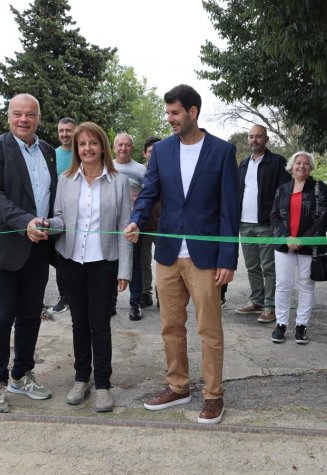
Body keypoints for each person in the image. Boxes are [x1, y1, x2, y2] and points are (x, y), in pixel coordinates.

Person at [125, 84, 238, 425]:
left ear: (193, 112)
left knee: (209, 330)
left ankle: (213, 395)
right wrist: (136, 220)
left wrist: (227, 259)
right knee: (171, 326)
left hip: (205, 257)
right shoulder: (161, 151)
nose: (170, 119)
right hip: (169, 254)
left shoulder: (221, 151)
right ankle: (178, 387)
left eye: (175, 113)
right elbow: (149, 193)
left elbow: (229, 210)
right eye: (168, 113)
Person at [0, 93, 57, 413]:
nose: (24, 120)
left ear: (39, 118)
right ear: (8, 117)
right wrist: (26, 222)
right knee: (0, 318)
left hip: (37, 250)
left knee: (29, 317)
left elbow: (51, 197)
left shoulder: (48, 151)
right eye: (17, 114)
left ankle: (21, 375)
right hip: (1, 251)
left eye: (30, 115)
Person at [46, 122, 132, 412]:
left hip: (104, 263)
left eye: (93, 143)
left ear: (102, 146)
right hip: (70, 261)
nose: (87, 149)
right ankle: (81, 378)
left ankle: (104, 384)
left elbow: (124, 228)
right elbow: (59, 217)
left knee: (100, 325)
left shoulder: (119, 181)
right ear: (76, 149)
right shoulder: (66, 179)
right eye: (82, 144)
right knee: (79, 323)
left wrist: (125, 271)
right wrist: (50, 225)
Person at [268, 152, 327, 345]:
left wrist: (301, 240)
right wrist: (286, 238)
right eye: (298, 163)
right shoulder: (283, 189)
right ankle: (281, 324)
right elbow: (274, 216)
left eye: (306, 163)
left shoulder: (320, 189)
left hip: (308, 246)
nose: (301, 166)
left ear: (311, 167)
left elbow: (322, 217)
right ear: (291, 166)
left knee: (306, 284)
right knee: (283, 285)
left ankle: (302, 326)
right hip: (284, 245)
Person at [235, 124, 291, 324]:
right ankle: (257, 301)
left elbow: (285, 192)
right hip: (245, 223)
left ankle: (271, 306)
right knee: (252, 266)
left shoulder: (277, 162)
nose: (254, 140)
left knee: (269, 266)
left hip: (267, 223)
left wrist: (280, 219)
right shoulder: (243, 164)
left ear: (266, 139)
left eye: (258, 137)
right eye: (251, 136)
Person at [112, 133, 147, 321]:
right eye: (120, 145)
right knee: (110, 264)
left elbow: (146, 197)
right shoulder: (106, 167)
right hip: (110, 225)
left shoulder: (141, 170)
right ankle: (110, 303)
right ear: (114, 147)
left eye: (127, 145)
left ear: (132, 148)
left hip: (132, 225)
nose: (123, 148)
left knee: (135, 265)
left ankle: (135, 305)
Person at [50, 117, 76, 315]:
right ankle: (64, 296)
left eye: (68, 130)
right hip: (57, 213)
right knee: (60, 257)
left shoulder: (82, 152)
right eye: (62, 131)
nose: (65, 134)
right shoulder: (52, 154)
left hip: (80, 213)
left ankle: (77, 295)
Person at [138, 137, 161, 309]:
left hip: (163, 227)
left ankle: (163, 294)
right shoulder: (140, 172)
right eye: (151, 151)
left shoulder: (169, 170)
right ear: (145, 153)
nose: (154, 154)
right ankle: (146, 293)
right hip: (144, 225)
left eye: (157, 151)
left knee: (163, 262)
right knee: (144, 262)